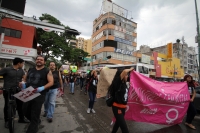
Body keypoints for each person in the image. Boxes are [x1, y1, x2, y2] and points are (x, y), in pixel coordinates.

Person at [22, 55, 53, 133]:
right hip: (28, 92)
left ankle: (32, 129)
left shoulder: (47, 71)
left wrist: (42, 88)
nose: (39, 61)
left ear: (44, 62)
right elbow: (25, 79)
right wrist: (23, 84)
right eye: (38, 59)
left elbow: (51, 82)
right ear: (36, 61)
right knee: (24, 110)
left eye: (41, 60)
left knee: (35, 112)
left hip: (39, 94)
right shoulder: (30, 69)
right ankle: (36, 121)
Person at [0, 58, 29, 128]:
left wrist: (25, 82)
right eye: (22, 63)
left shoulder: (21, 71)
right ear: (19, 63)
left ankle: (21, 118)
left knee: (20, 105)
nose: (23, 65)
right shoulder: (6, 69)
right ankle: (7, 121)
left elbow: (24, 78)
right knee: (7, 105)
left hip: (18, 90)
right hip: (8, 90)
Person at [109, 68, 134, 133]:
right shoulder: (117, 83)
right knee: (125, 130)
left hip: (123, 108)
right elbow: (124, 71)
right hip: (117, 107)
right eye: (126, 75)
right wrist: (131, 69)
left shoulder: (124, 83)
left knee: (117, 124)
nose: (127, 76)